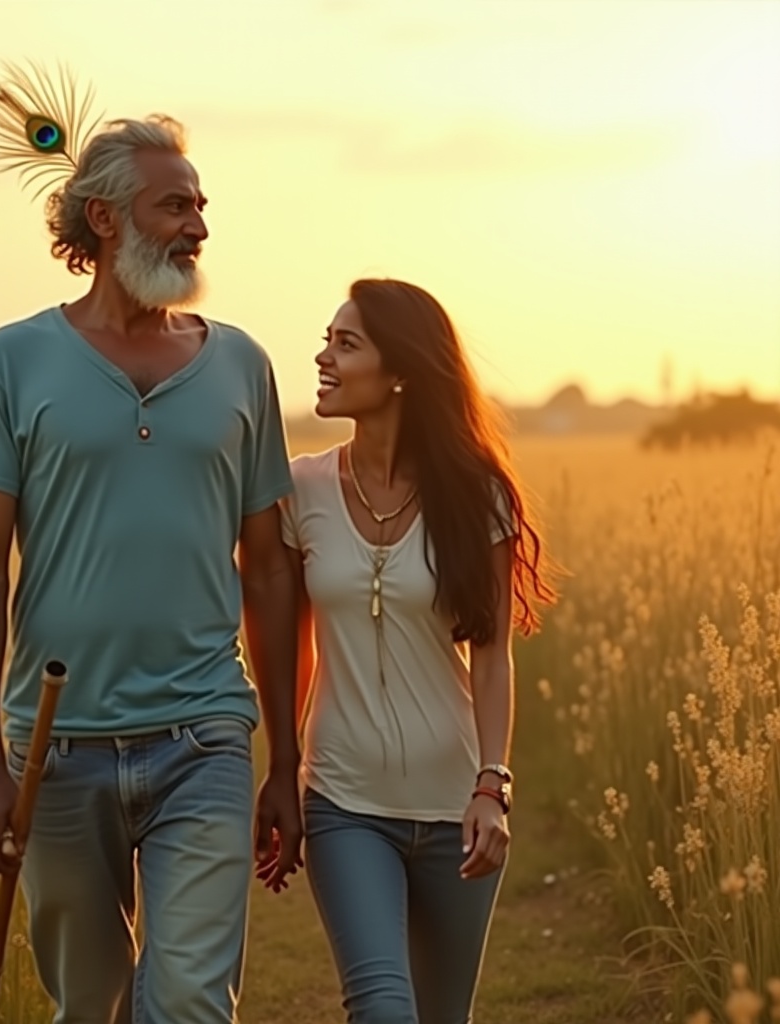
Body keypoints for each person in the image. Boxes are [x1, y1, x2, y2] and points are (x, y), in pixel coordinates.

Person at [0, 94, 302, 1024]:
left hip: (205, 736)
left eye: (201, 206)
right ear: (103, 219)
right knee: (88, 1000)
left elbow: (266, 569)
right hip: (53, 748)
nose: (199, 226)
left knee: (186, 1000)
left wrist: (284, 761)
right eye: (175, 205)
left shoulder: (241, 367)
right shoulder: (9, 361)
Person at [260, 279, 557, 1024]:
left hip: (457, 804)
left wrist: (493, 787)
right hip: (345, 804)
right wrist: (286, 769)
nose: (323, 356)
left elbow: (491, 655)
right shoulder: (300, 490)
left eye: (346, 343)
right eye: (327, 338)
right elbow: (284, 643)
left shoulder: (477, 494)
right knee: (384, 1010)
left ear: (401, 371)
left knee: (440, 1016)